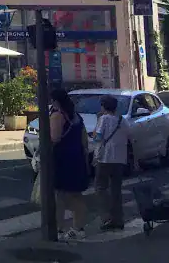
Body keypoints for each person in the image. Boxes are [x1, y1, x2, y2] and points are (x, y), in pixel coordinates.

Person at [49, 87, 91, 240]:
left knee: (60, 195)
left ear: (55, 101)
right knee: (76, 194)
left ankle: (59, 229)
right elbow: (84, 139)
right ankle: (78, 227)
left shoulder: (57, 116)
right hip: (77, 157)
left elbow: (54, 138)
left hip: (62, 158)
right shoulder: (76, 116)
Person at [92, 94, 128, 231]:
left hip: (105, 158)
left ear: (103, 106)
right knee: (116, 189)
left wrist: (95, 131)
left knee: (100, 187)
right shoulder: (121, 120)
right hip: (120, 158)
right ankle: (118, 218)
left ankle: (106, 217)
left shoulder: (103, 119)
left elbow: (98, 137)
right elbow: (129, 134)